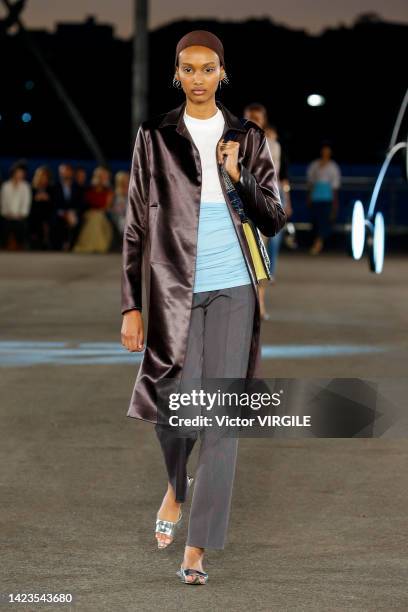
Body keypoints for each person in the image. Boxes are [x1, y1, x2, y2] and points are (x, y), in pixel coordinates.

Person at [120, 30, 286, 585]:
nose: (197, 77)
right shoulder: (155, 135)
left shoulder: (247, 136)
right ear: (176, 75)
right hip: (173, 291)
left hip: (235, 287)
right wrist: (130, 305)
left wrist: (237, 175)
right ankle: (175, 488)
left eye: (207, 68)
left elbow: (275, 217)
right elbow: (137, 224)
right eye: (187, 69)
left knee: (222, 422)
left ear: (223, 73)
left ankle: (198, 546)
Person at [243, 103, 292, 319]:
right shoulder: (231, 141)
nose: (253, 121)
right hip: (239, 203)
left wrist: (282, 202)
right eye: (249, 117)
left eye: (257, 118)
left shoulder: (272, 145)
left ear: (263, 121)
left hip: (263, 203)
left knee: (261, 254)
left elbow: (274, 177)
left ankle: (260, 302)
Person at [306, 143, 341, 255]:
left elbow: (335, 187)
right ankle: (317, 242)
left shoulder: (333, 166)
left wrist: (335, 204)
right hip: (316, 196)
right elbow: (310, 183)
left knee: (324, 220)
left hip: (327, 197)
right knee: (315, 221)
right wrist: (309, 197)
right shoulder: (314, 165)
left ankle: (318, 243)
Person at [73, 166, 114, 253]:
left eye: (104, 177)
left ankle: (97, 246)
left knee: (97, 217)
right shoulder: (88, 189)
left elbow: (107, 207)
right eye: (100, 177)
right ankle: (87, 245)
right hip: (89, 213)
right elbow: (84, 204)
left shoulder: (108, 191)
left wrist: (99, 211)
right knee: (94, 217)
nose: (102, 179)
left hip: (102, 214)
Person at [51, 163, 84, 251]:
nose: (65, 174)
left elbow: (80, 204)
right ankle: (58, 246)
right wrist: (64, 214)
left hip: (73, 214)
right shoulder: (54, 187)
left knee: (77, 221)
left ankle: (72, 246)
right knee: (57, 221)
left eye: (67, 171)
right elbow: (53, 205)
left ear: (71, 173)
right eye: (63, 172)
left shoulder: (77, 187)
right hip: (59, 214)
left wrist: (72, 213)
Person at [0, 162, 32, 250]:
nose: (20, 175)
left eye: (22, 173)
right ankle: (3, 246)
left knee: (21, 226)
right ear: (13, 173)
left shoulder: (26, 186)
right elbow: (3, 202)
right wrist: (7, 214)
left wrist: (20, 214)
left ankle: (21, 246)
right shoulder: (5, 186)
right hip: (7, 216)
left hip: (20, 217)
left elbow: (26, 203)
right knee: (4, 226)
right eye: (18, 173)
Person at [29, 165, 54, 250]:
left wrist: (48, 198)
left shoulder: (51, 189)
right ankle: (37, 240)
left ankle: (45, 241)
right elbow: (28, 205)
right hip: (34, 214)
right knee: (37, 214)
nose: (43, 178)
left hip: (47, 214)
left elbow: (53, 205)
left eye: (45, 176)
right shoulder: (31, 189)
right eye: (41, 176)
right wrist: (36, 198)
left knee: (45, 217)